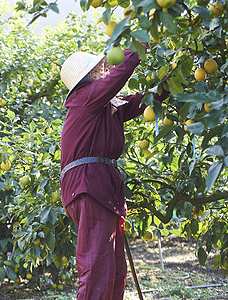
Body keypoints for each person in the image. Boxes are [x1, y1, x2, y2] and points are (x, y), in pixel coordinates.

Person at [59, 47, 169, 300]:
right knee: (97, 265)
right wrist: (134, 49)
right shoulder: (84, 97)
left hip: (100, 186)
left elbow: (147, 99)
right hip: (88, 184)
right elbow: (119, 76)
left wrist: (174, 78)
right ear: (87, 77)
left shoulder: (108, 106)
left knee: (114, 266)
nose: (106, 69)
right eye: (99, 67)